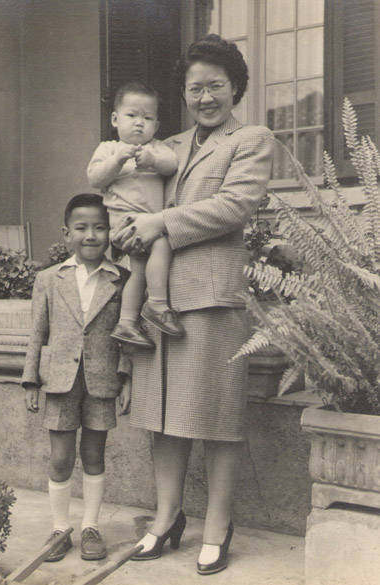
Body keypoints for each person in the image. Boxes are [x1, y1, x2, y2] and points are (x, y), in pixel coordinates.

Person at [111, 35, 274, 575]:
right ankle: (165, 519)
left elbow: (235, 205)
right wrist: (126, 229)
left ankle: (218, 525)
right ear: (183, 93)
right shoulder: (169, 144)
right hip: (160, 299)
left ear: (236, 88)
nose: (205, 97)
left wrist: (161, 224)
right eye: (194, 87)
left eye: (216, 86)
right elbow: (130, 194)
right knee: (163, 415)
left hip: (212, 296)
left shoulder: (250, 139)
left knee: (217, 419)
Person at [21, 193, 132, 562]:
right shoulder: (49, 279)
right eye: (81, 228)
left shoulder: (122, 279)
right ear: (66, 234)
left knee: (94, 454)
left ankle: (90, 526)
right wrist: (30, 380)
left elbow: (129, 335)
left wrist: (126, 379)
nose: (91, 235)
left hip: (101, 381)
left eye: (100, 228)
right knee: (60, 458)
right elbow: (38, 333)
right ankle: (59, 527)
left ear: (110, 233)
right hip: (59, 381)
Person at [87, 82, 184, 350]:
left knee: (138, 269)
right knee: (164, 243)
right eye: (132, 116)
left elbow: (172, 165)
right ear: (115, 119)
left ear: (156, 124)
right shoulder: (108, 149)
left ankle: (127, 322)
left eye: (148, 117)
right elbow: (95, 178)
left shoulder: (157, 148)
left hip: (147, 225)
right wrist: (118, 160)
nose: (139, 123)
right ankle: (156, 305)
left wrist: (152, 160)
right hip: (124, 224)